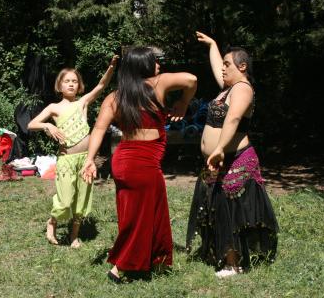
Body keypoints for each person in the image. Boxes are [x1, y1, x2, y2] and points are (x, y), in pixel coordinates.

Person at [81, 47, 197, 283]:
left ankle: (154, 261)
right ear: (142, 65)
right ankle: (121, 267)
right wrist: (184, 102)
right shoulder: (158, 83)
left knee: (140, 211)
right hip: (142, 163)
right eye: (154, 61)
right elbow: (191, 79)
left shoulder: (114, 97)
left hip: (122, 161)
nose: (159, 65)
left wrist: (90, 159)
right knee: (143, 214)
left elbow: (99, 130)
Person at [186, 31, 279, 278]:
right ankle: (223, 255)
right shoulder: (227, 88)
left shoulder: (243, 89)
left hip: (233, 157)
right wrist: (213, 46)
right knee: (215, 207)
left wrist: (218, 148)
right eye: (224, 64)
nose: (223, 69)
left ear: (243, 66)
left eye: (229, 64)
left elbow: (234, 118)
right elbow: (218, 69)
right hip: (217, 159)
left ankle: (233, 263)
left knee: (230, 209)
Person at [27, 55, 118, 248]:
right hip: (66, 160)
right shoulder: (54, 108)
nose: (71, 84)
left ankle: (73, 236)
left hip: (85, 159)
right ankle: (52, 220)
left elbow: (101, 86)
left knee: (82, 198)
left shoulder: (82, 103)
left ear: (79, 86)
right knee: (66, 199)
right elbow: (31, 124)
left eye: (74, 81)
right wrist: (47, 127)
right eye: (67, 81)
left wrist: (110, 68)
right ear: (59, 86)